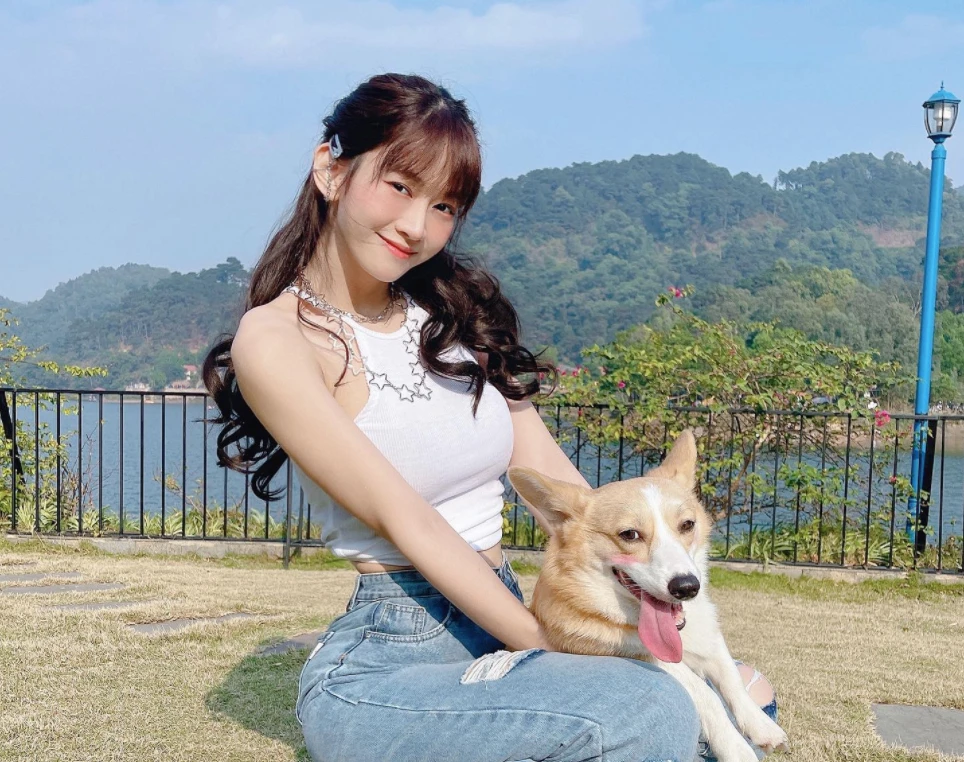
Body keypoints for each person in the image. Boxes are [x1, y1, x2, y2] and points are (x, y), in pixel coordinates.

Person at [203, 72, 777, 762]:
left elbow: (568, 497)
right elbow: (408, 521)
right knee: (654, 706)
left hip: (502, 614)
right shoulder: (278, 339)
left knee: (736, 688)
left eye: (444, 206)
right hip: (393, 658)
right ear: (331, 169)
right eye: (399, 186)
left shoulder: (450, 317)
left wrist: (620, 613)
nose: (417, 226)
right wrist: (550, 646)